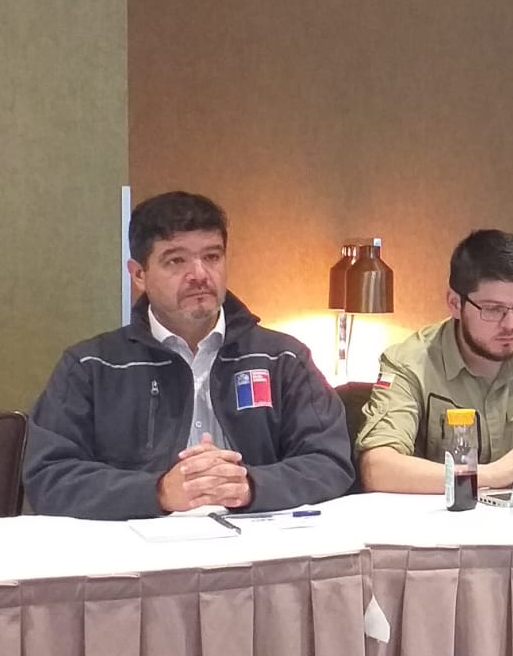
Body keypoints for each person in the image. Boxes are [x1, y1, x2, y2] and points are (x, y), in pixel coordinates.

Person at [23, 192, 354, 520]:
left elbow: (330, 461)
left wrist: (250, 486)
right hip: (140, 542)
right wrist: (157, 492)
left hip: (259, 537)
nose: (199, 274)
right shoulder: (91, 366)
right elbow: (49, 477)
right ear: (138, 275)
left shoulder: (282, 358)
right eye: (176, 261)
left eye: (212, 257)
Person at [356, 229, 513, 493]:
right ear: (455, 304)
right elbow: (377, 469)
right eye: (493, 310)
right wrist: (487, 475)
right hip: (447, 515)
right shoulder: (409, 362)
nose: (510, 325)